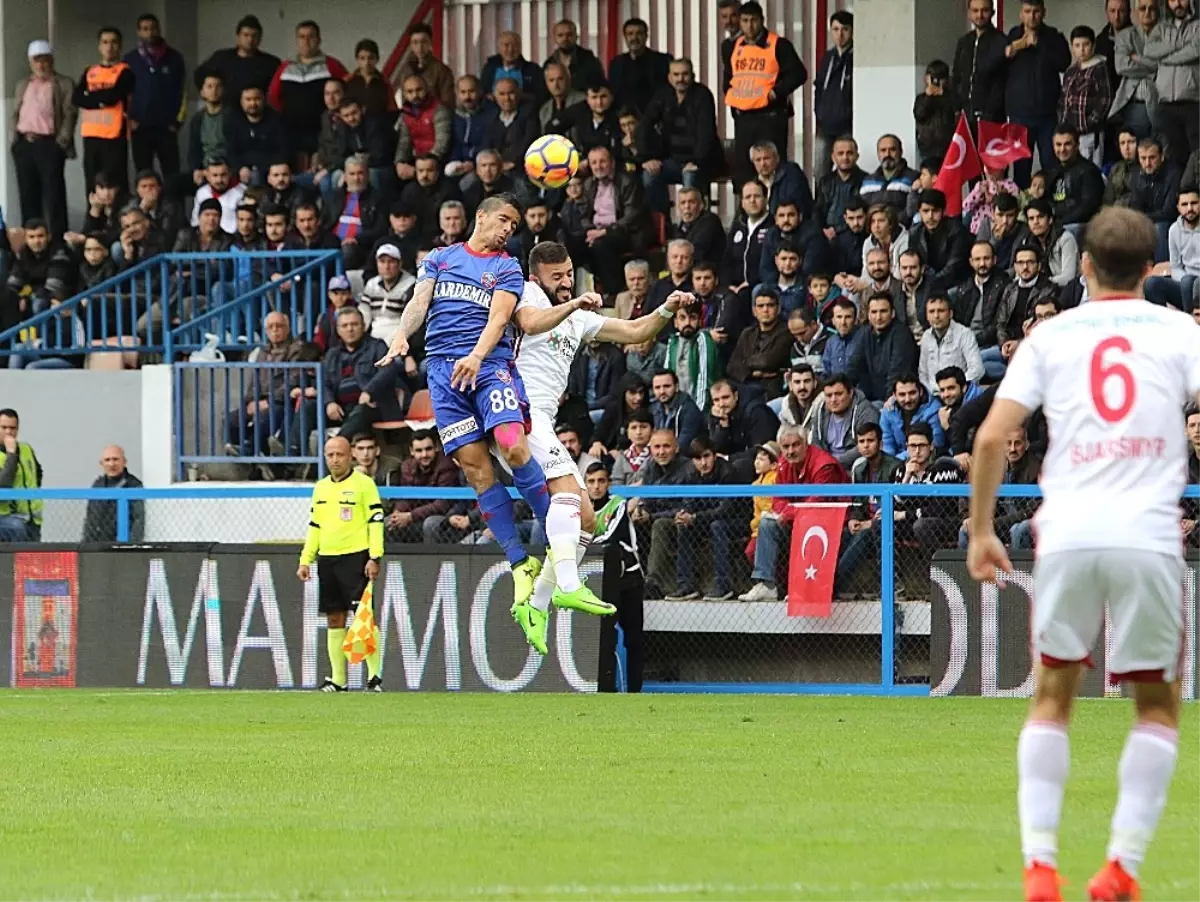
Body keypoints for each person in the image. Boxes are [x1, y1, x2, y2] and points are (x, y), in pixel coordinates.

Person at [967, 207, 1196, 902]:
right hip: (1149, 536)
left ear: (1085, 267)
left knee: (1052, 694)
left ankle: (1040, 867)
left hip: (1065, 532)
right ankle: (1120, 868)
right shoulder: (1182, 332)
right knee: (1156, 707)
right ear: (1154, 269)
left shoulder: (1050, 336)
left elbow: (987, 441)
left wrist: (981, 531)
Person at [377, 196, 599, 621]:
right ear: (480, 217)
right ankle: (519, 560)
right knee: (478, 470)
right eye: (503, 221)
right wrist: (402, 335)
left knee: (513, 444)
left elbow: (499, 320)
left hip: (490, 366)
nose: (506, 230)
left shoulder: (508, 266)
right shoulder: (442, 259)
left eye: (513, 226)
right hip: (444, 375)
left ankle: (556, 537)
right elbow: (420, 301)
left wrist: (478, 356)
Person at [499, 241, 687, 651]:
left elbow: (636, 330)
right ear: (538, 277)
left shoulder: (579, 316)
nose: (566, 283)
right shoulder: (526, 294)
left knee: (585, 519)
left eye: (569, 274)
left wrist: (668, 308)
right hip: (516, 414)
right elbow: (530, 323)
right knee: (571, 499)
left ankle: (537, 605)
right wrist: (574, 306)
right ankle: (567, 584)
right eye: (558, 277)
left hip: (543, 422)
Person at [297, 436, 384, 693]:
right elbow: (315, 527)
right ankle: (338, 680)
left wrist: (374, 556)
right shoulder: (320, 488)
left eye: (339, 454)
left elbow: (376, 521)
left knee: (363, 617)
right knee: (335, 617)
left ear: (350, 456)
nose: (334, 459)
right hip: (327, 559)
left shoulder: (364, 485)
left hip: (356, 557)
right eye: (330, 455)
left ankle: (374, 676)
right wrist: (306, 559)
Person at [739, 424, 844, 601]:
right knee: (766, 524)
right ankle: (767, 585)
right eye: (785, 447)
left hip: (827, 523)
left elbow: (818, 501)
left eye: (795, 445)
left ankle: (804, 588)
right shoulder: (783, 464)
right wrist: (786, 513)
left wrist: (788, 514)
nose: (790, 451)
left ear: (806, 444)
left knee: (806, 523)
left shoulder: (824, 465)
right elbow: (777, 498)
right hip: (795, 520)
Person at [722, 1, 807, 183]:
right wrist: (732, 100)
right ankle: (745, 208)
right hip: (744, 117)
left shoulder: (779, 45)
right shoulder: (731, 47)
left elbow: (799, 74)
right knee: (745, 168)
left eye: (754, 20)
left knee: (772, 166)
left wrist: (775, 93)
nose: (749, 25)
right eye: (745, 20)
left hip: (770, 116)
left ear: (762, 20)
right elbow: (729, 77)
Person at [11, 41, 76, 241]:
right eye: (37, 61)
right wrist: (14, 141)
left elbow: (70, 114)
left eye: (45, 60)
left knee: (53, 195)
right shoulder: (23, 84)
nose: (41, 65)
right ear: (31, 62)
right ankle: (31, 240)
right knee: (28, 194)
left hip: (49, 144)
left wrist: (61, 143)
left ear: (52, 61)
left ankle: (57, 240)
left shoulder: (63, 83)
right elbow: (16, 113)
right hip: (24, 144)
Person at [638, 59, 723, 208]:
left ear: (693, 75)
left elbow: (706, 132)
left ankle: (692, 225)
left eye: (685, 74)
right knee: (649, 176)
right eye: (676, 74)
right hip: (672, 160)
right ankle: (663, 225)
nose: (680, 79)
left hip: (700, 162)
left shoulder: (703, 95)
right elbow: (645, 124)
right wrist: (646, 158)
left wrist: (697, 161)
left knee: (690, 178)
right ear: (669, 77)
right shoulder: (663, 95)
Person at [1004, 0, 1071, 188]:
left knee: (1052, 164)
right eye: (1027, 11)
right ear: (1021, 14)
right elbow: (998, 67)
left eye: (1036, 12)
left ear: (1043, 13)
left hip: (1047, 115)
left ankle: (1051, 208)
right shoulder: (1012, 37)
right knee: (1020, 168)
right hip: (1019, 115)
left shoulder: (1053, 37)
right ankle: (1023, 212)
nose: (1031, 16)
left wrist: (1040, 44)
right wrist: (1012, 49)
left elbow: (1063, 62)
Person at [267, 21, 348, 165]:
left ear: (319, 40)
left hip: (322, 133)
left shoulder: (332, 65)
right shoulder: (285, 67)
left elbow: (347, 93)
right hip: (292, 133)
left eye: (311, 37)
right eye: (301, 37)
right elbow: (273, 97)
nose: (306, 41)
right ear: (297, 40)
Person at [73, 26, 134, 194]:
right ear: (99, 46)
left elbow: (113, 96)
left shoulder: (125, 72)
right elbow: (77, 98)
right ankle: (94, 218)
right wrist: (99, 101)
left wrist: (91, 97)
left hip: (115, 137)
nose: (109, 46)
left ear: (120, 46)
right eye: (105, 42)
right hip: (91, 137)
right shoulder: (89, 72)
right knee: (92, 185)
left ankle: (118, 219)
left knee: (116, 184)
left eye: (114, 42)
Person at [123, 13, 185, 177]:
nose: (150, 33)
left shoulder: (174, 58)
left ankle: (173, 204)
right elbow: (124, 93)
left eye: (153, 28)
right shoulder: (130, 60)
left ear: (159, 30)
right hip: (140, 127)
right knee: (144, 174)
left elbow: (183, 91)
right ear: (138, 32)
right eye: (145, 29)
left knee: (172, 173)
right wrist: (130, 120)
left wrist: (177, 122)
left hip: (166, 127)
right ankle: (146, 203)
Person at [1141, 0, 1200, 165]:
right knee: (1173, 155)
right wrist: (1180, 44)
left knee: (1197, 154)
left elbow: (1195, 50)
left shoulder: (1198, 26)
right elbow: (1148, 50)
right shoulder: (1160, 28)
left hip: (1193, 102)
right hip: (1166, 103)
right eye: (1173, 0)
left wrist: (1165, 58)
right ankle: (1178, 191)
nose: (1179, 4)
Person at [386, 429, 460, 543]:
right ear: (411, 451)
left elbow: (442, 504)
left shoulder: (446, 465)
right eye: (419, 450)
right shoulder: (407, 466)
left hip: (444, 514)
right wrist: (398, 513)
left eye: (428, 449)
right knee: (388, 522)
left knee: (430, 524)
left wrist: (411, 516)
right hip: (415, 513)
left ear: (436, 448)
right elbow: (406, 497)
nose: (424, 455)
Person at [1058, 25, 1114, 166]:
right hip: (1070, 133)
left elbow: (1105, 100)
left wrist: (1088, 123)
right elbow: (1063, 99)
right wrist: (1062, 122)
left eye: (1086, 45)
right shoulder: (1070, 72)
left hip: (1090, 132)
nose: (1082, 50)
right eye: (1077, 45)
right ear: (1072, 48)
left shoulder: (1099, 67)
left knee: (1091, 167)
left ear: (1093, 46)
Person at [193, 15, 280, 106]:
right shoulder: (222, 58)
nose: (250, 39)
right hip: (226, 113)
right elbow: (200, 74)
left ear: (260, 38)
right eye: (246, 35)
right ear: (238, 37)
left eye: (254, 36)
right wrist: (207, 95)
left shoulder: (270, 63)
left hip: (257, 114)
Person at [953, 0, 1008, 133]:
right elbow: (957, 75)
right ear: (969, 14)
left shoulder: (1001, 41)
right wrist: (956, 107)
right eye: (975, 11)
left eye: (984, 10)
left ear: (992, 13)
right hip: (965, 116)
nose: (980, 15)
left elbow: (1003, 80)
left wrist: (992, 110)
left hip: (992, 118)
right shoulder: (964, 42)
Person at [806, 372, 879, 468]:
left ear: (851, 393)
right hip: (826, 466)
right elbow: (816, 443)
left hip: (853, 466)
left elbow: (865, 446)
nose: (833, 400)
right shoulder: (820, 410)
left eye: (838, 394)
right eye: (829, 395)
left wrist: (834, 463)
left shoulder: (866, 411)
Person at [811, 10, 854, 175]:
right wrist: (819, 112)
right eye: (836, 29)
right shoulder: (828, 57)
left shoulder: (855, 57)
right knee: (820, 170)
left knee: (846, 166)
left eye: (845, 29)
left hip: (847, 125)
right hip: (825, 124)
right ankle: (822, 201)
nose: (840, 35)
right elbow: (819, 87)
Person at [1110, 0, 1159, 141]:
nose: (1147, 13)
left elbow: (1166, 63)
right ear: (1135, 12)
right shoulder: (1125, 36)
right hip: (1135, 104)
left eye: (1152, 9)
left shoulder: (1167, 35)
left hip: (1163, 103)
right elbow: (1121, 66)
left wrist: (1138, 58)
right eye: (1143, 8)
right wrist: (1154, 66)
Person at [919, 293, 984, 393]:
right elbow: (923, 374)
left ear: (950, 313)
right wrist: (934, 391)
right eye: (931, 311)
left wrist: (953, 387)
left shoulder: (964, 334)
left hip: (961, 394)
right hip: (934, 395)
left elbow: (977, 370)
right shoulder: (926, 337)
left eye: (941, 311)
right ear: (927, 316)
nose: (936, 316)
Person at [607, 17, 671, 113]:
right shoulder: (617, 63)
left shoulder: (662, 61)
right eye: (630, 34)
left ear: (646, 36)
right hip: (624, 119)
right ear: (625, 37)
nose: (634, 38)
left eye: (639, 33)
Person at [82, 445, 144, 542]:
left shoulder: (134, 485)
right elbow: (90, 518)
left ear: (124, 462)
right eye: (107, 460)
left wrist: (129, 546)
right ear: (101, 463)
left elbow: (139, 520)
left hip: (121, 547)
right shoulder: (97, 485)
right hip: (95, 545)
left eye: (115, 459)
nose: (111, 464)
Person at [0, 409, 43, 543]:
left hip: (32, 520)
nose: (9, 432)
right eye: (4, 427)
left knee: (32, 560)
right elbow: (3, 484)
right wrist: (11, 454)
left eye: (12, 428)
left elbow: (38, 473)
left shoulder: (26, 449)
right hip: (7, 518)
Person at [396, 23, 455, 109]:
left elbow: (448, 103)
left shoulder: (442, 70)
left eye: (424, 42)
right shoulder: (405, 71)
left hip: (436, 118)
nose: (420, 47)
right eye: (415, 42)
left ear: (430, 43)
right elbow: (405, 103)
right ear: (411, 45)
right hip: (413, 119)